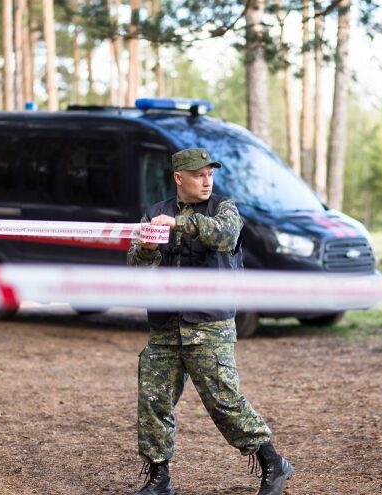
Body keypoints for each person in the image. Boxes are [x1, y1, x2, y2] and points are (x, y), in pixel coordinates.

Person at [127, 148, 294, 495]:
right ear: (178, 178)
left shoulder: (223, 208)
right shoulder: (153, 214)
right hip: (164, 326)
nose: (206, 180)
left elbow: (225, 236)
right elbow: (137, 270)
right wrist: (145, 249)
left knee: (224, 402)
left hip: (209, 327)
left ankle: (273, 463)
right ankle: (159, 479)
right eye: (198, 174)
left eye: (209, 174)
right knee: (153, 403)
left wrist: (179, 224)